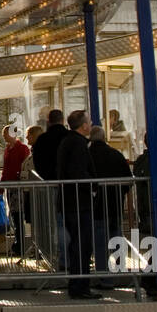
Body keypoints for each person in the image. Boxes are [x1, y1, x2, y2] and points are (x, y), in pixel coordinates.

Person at [56, 110, 97, 298]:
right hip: (79, 203)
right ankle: (80, 286)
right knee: (82, 245)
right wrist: (93, 186)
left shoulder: (67, 142)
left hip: (70, 202)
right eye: (89, 121)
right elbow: (78, 172)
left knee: (77, 245)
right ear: (84, 126)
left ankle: (78, 285)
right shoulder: (78, 144)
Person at [88, 124, 130, 289]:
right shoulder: (115, 154)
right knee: (117, 238)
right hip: (115, 204)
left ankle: (105, 277)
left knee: (99, 244)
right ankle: (120, 270)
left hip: (96, 206)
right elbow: (127, 179)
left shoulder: (88, 156)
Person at [2, 125, 30, 256]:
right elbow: (6, 168)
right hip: (11, 185)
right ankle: (18, 243)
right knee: (14, 214)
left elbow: (24, 165)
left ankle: (20, 244)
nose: (4, 137)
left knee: (18, 214)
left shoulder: (21, 149)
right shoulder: (8, 149)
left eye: (5, 134)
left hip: (17, 185)